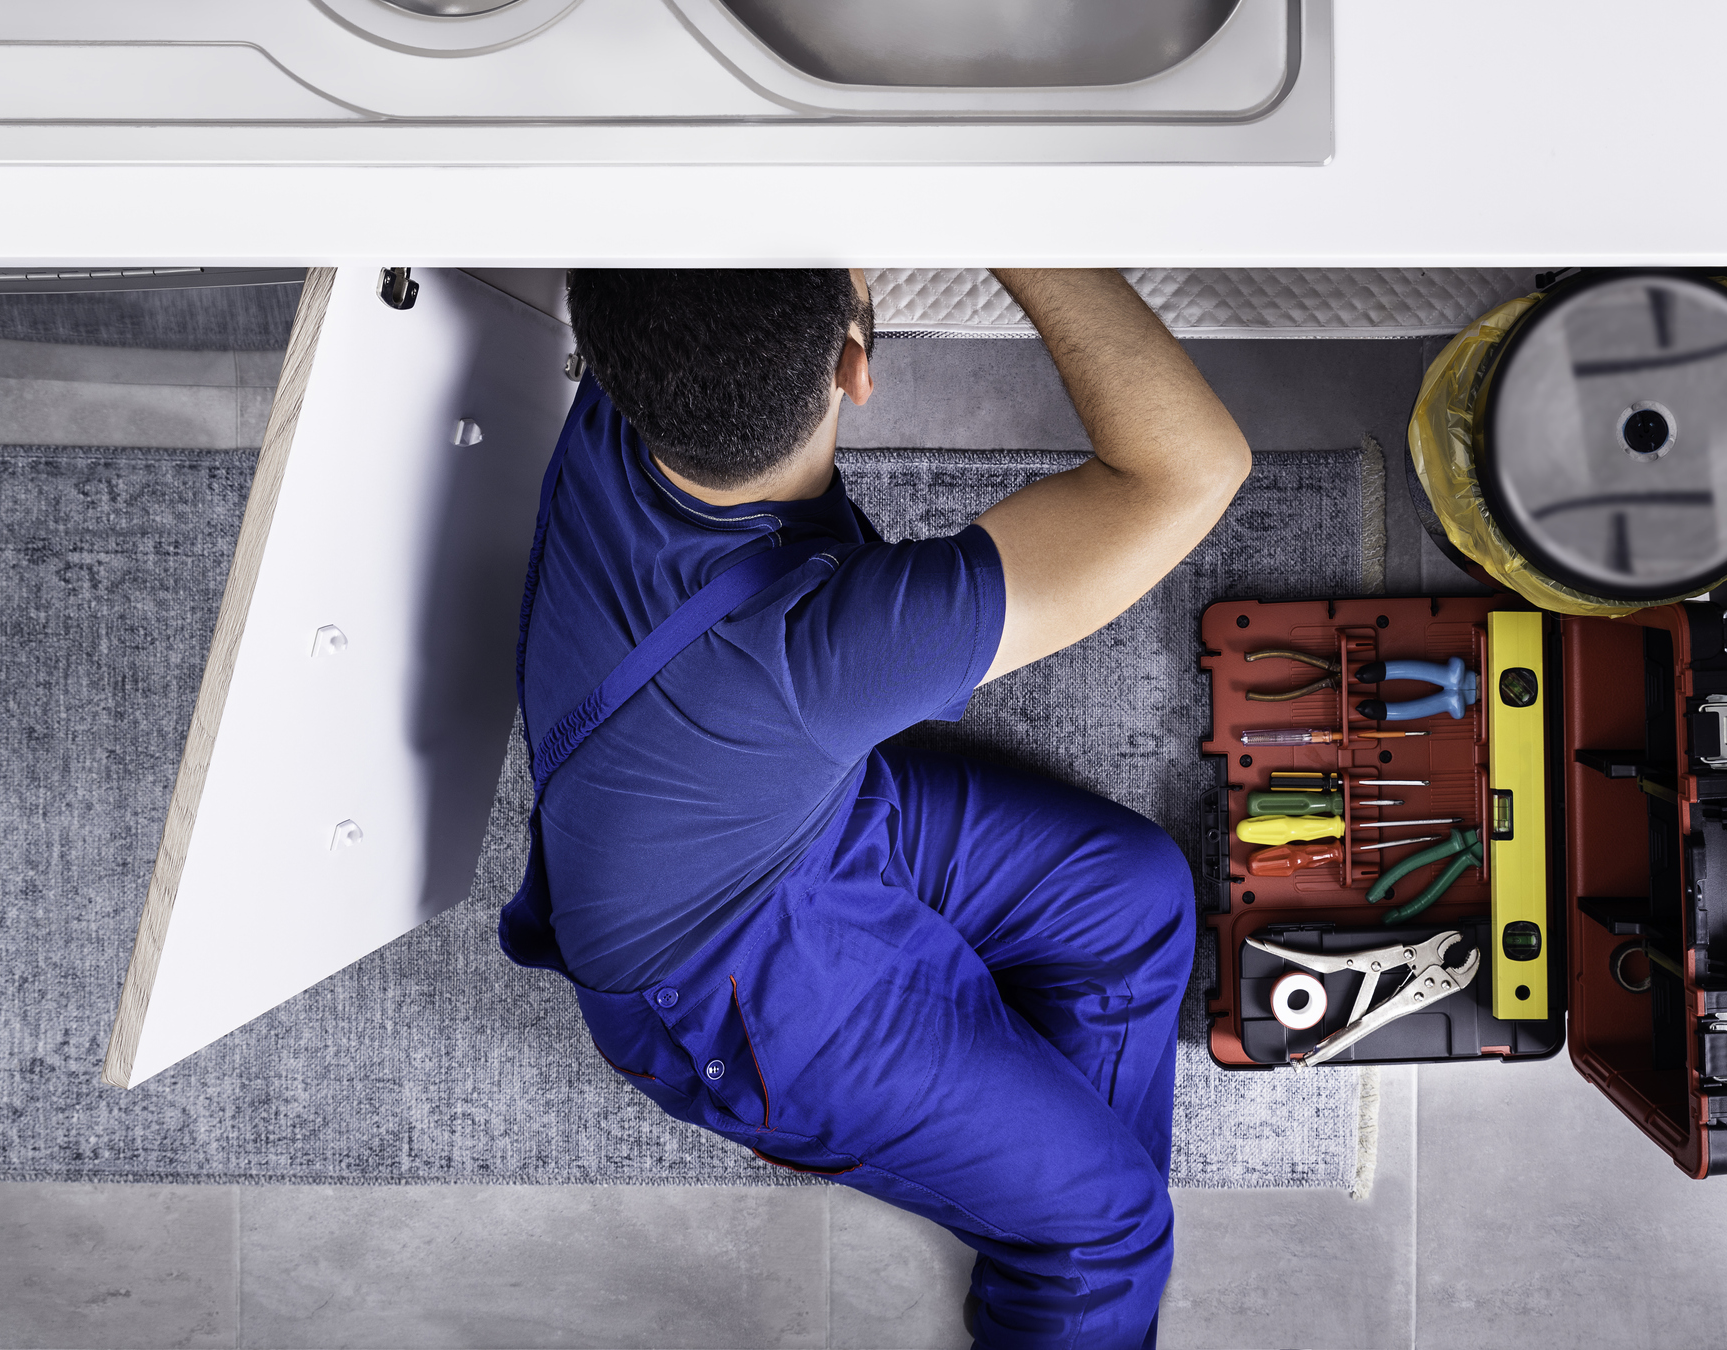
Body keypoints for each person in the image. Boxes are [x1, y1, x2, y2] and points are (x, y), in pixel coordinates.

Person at [500, 268, 1250, 1348]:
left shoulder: (639, 369)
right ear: (857, 366)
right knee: (1109, 1229)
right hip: (729, 984)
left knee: (1131, 892)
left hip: (789, 822)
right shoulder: (834, 649)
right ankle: (1074, 1235)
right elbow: (1193, 468)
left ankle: (1049, 1197)